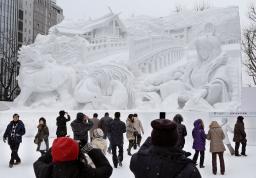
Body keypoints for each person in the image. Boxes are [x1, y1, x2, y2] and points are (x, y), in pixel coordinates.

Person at [130, 119, 201, 178]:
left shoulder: (137, 159)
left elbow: (140, 155)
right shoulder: (189, 170)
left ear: (153, 138)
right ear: (175, 140)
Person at [33, 137, 113, 178]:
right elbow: (107, 168)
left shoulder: (46, 172)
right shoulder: (85, 173)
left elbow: (38, 162)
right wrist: (87, 147)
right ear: (77, 154)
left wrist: (56, 147)